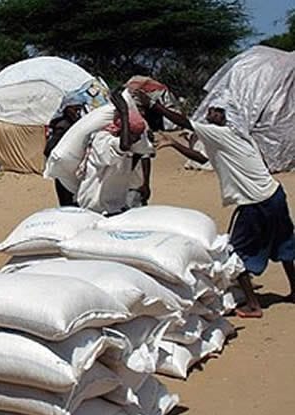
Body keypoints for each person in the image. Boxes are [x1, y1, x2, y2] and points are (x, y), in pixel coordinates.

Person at [146, 95, 295, 318]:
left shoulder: (221, 133)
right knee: (284, 243)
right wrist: (174, 144)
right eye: (210, 110)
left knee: (234, 251)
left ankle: (253, 305)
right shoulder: (238, 137)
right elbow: (202, 159)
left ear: (226, 116)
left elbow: (185, 122)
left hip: (254, 202)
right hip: (274, 194)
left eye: (215, 111)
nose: (209, 114)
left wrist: (154, 105)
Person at [76, 90, 148, 215]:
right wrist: (124, 113)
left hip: (116, 207)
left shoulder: (132, 144)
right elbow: (123, 146)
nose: (135, 139)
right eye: (132, 135)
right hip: (94, 207)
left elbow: (144, 148)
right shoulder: (102, 139)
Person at [45, 102, 85, 206]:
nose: (77, 112)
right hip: (64, 173)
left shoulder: (77, 124)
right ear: (67, 109)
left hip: (72, 171)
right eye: (74, 109)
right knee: (67, 203)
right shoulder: (63, 126)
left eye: (79, 109)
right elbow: (49, 149)